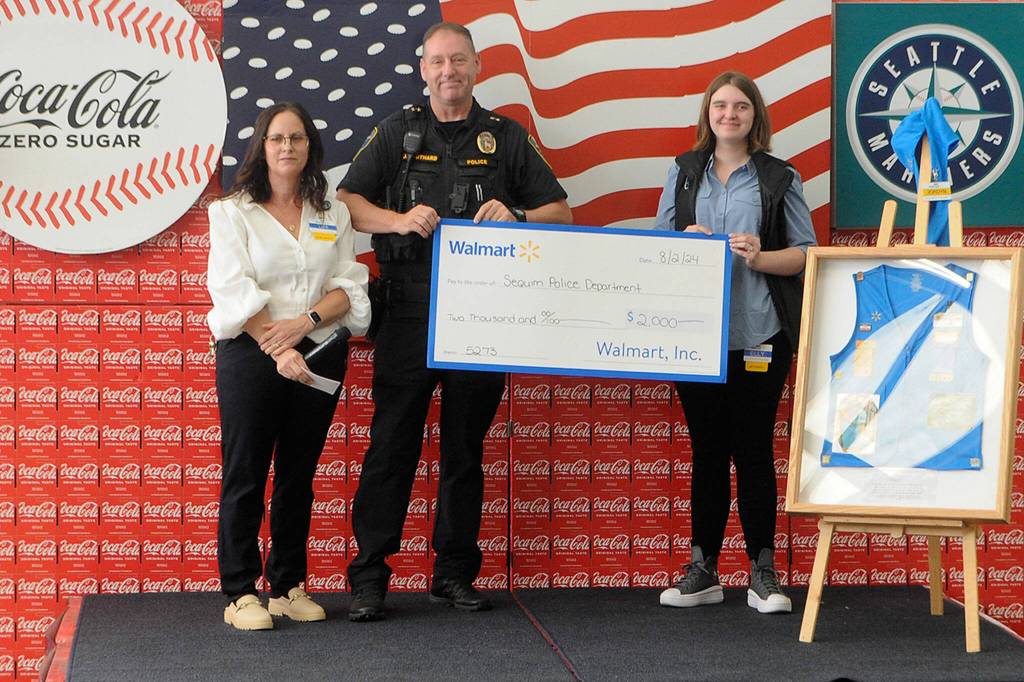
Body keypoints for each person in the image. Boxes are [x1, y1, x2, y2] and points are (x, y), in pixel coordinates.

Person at [337, 21, 572, 622]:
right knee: (392, 446)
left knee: (465, 451)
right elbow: (347, 202)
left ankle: (454, 573)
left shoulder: (506, 136)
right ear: (424, 69)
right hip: (409, 309)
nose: (449, 72)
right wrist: (395, 220)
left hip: (483, 313)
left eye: (459, 61)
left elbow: (560, 212)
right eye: (439, 61)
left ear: (476, 68)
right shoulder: (397, 131)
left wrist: (516, 215)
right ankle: (369, 578)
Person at [653, 72, 816, 614]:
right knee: (706, 452)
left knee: (752, 451)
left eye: (740, 106)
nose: (729, 114)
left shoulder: (779, 177)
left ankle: (763, 573)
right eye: (720, 105)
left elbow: (807, 254)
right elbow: (654, 249)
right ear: (707, 113)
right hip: (694, 337)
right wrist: (683, 244)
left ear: (755, 115)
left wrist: (761, 256)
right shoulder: (681, 171)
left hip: (760, 333)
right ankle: (703, 569)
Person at [207, 102, 371, 630]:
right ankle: (240, 593)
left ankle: (286, 586)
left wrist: (304, 325)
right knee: (246, 473)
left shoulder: (333, 212)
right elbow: (232, 289)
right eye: (277, 138)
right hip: (253, 355)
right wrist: (280, 348)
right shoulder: (232, 211)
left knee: (299, 476)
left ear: (310, 148)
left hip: (319, 353)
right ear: (262, 146)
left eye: (296, 138)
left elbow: (349, 287)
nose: (286, 148)